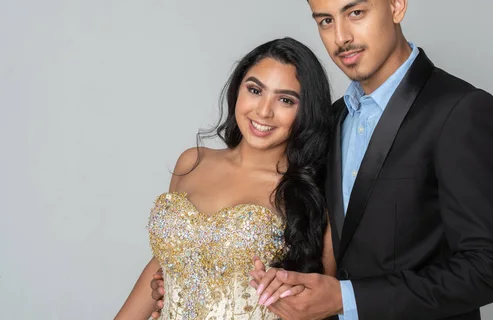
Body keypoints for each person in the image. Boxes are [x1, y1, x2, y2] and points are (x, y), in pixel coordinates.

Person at [153, 0, 493, 320]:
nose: (341, 37)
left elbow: (490, 269)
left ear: (396, 4)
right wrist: (194, 279)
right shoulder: (328, 120)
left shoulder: (460, 111)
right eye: (325, 20)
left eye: (355, 13)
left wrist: (348, 298)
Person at [116, 37, 336, 320]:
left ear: (306, 111)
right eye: (255, 90)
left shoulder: (311, 192)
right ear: (237, 90)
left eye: (285, 99)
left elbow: (321, 303)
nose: (264, 111)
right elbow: (166, 260)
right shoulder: (193, 162)